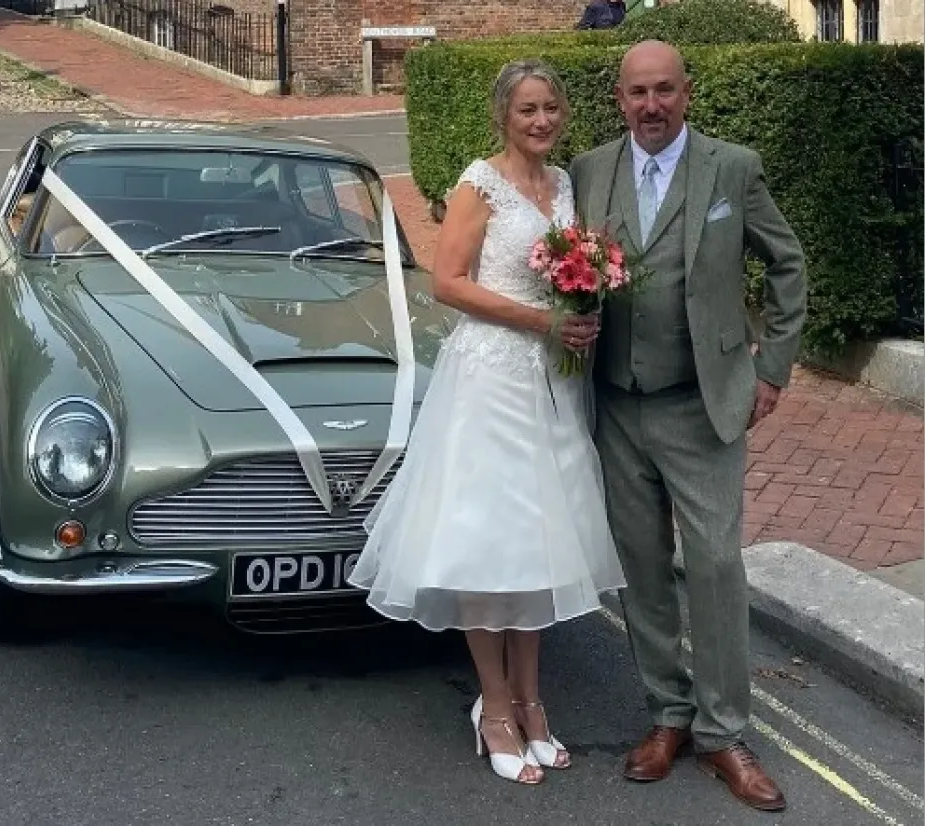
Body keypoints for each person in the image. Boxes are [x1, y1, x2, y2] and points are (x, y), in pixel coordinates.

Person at [349, 58, 626, 785]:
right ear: (503, 115)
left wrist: (582, 305)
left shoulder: (564, 184)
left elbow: (574, 271)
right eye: (528, 109)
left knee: (541, 538)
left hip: (555, 386)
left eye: (551, 108)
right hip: (491, 377)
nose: (541, 121)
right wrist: (542, 318)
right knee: (485, 537)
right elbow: (447, 282)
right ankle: (495, 704)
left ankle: (535, 699)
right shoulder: (480, 182)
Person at [569, 40, 806, 812]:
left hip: (702, 404)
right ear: (619, 98)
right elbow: (566, 270)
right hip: (617, 405)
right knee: (643, 570)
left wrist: (771, 368)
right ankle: (668, 716)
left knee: (713, 566)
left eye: (665, 90)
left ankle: (724, 731)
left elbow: (786, 263)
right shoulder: (589, 170)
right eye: (638, 92)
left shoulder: (731, 168)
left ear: (687, 93)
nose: (651, 105)